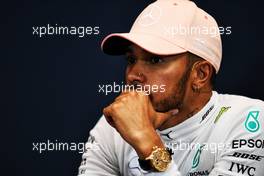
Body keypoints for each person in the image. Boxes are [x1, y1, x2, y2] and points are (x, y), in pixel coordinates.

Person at [78, 0, 264, 175]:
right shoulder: (113, 125)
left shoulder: (250, 120)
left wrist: (148, 143)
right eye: (131, 59)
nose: (133, 74)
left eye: (155, 59)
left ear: (200, 74)